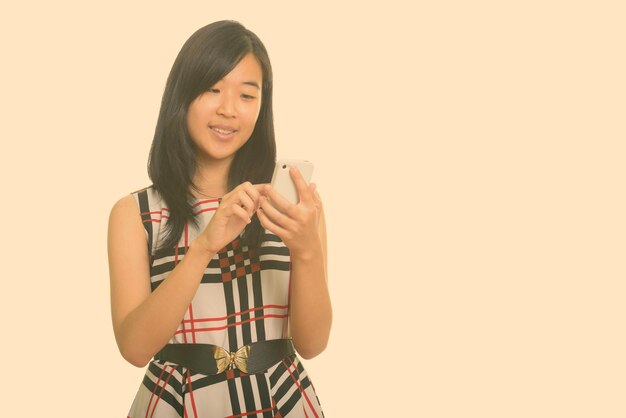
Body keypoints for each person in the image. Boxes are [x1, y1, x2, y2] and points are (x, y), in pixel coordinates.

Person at [107, 20, 332, 418]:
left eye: (247, 95)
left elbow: (312, 344)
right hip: (176, 401)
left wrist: (308, 251)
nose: (228, 110)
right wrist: (204, 246)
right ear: (182, 95)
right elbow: (135, 349)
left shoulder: (292, 207)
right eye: (212, 89)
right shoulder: (135, 215)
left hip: (282, 400)